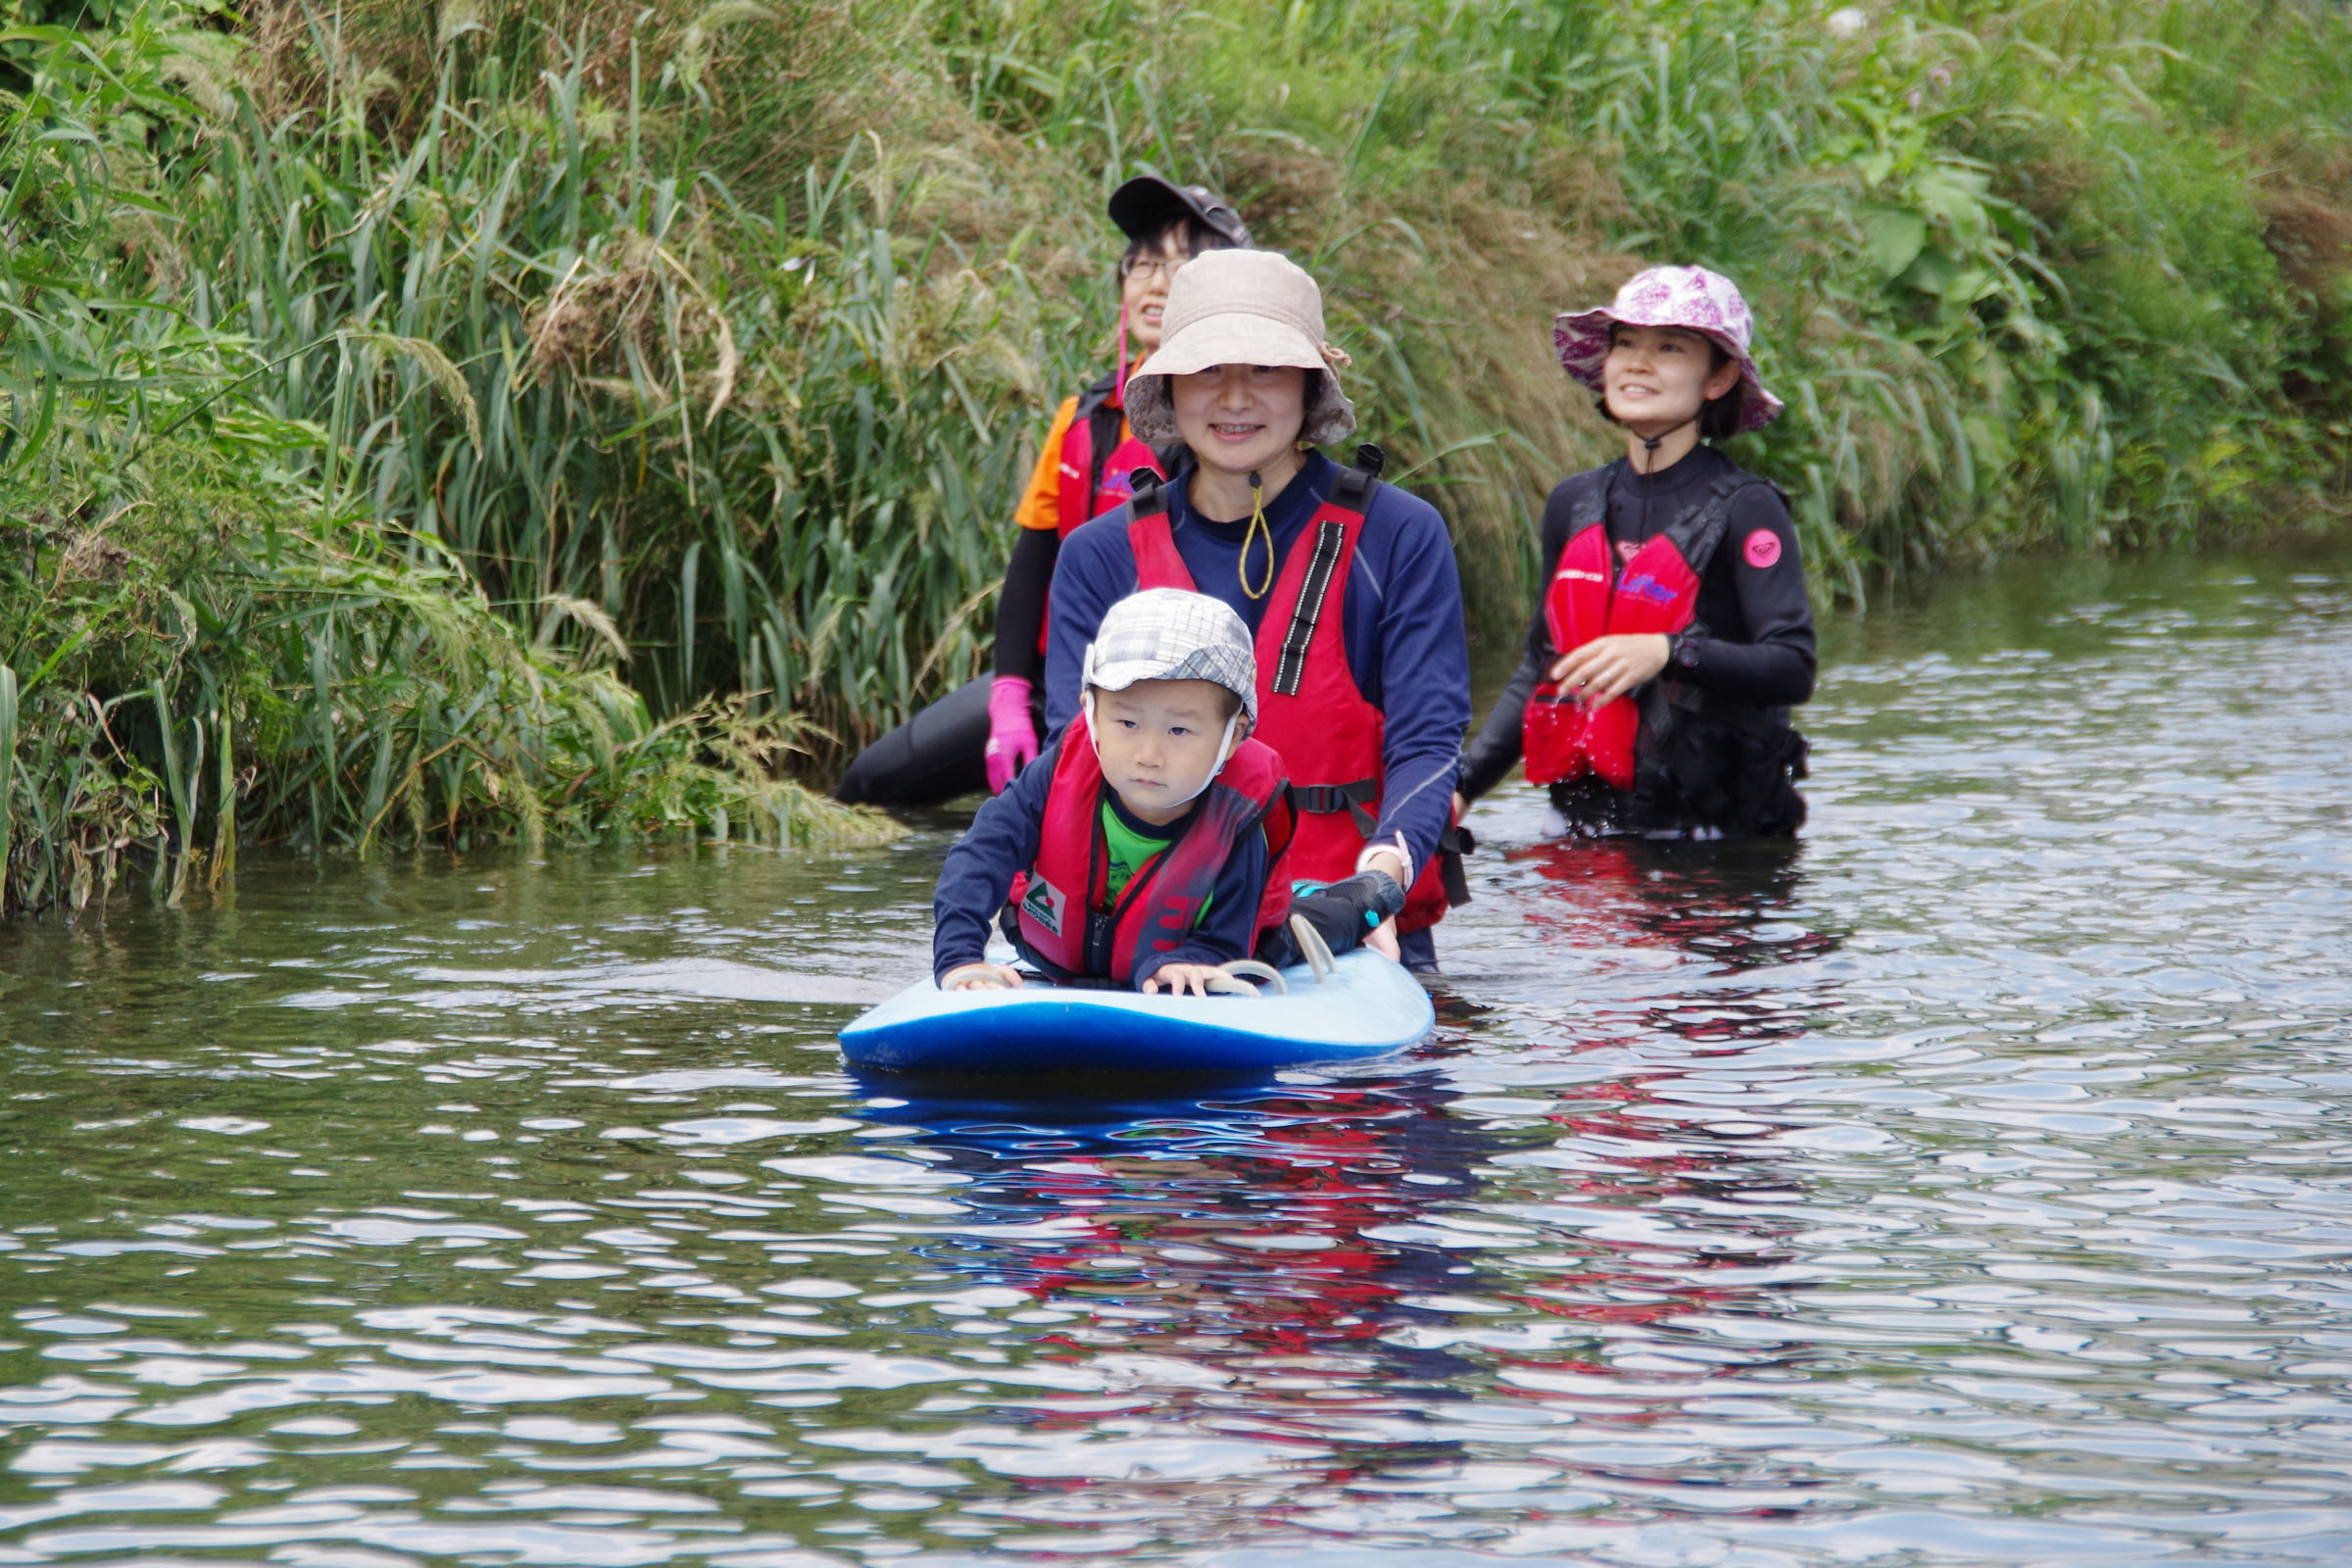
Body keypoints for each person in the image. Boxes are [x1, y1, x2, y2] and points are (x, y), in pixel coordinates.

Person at [1041, 249, 1472, 971]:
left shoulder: (1402, 534)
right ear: (1169, 387)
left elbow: (1428, 745)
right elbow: (1073, 750)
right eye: (1208, 369)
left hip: (1351, 924)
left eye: (1265, 369)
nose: (1235, 398)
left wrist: (1379, 880)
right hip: (1151, 929)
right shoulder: (1097, 554)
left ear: (1310, 387)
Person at [836, 177, 1250, 808]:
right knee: (870, 788)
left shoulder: (1242, 432)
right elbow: (1032, 569)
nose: (1155, 284)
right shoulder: (1084, 419)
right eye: (1141, 265)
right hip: (1059, 681)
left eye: (1180, 266)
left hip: (1172, 700)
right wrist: (1008, 700)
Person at [1457, 265, 1815, 838]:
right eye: (1625, 344)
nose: (1637, 362)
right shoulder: (1572, 504)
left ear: (1719, 379)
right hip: (1586, 830)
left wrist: (1669, 651)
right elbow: (1543, 666)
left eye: (1669, 347)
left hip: (1719, 847)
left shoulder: (1749, 508)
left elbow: (1793, 668)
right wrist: (1462, 787)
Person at [933, 589, 1295, 996]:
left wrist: (1189, 963)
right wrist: (960, 958)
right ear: (1092, 713)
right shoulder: (1054, 778)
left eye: (1179, 730)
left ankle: (1358, 899)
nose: (1149, 756)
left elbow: (1227, 938)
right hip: (1058, 959)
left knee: (1304, 925)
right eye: (1127, 723)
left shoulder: (1240, 819)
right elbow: (979, 857)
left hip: (1242, 942)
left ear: (1233, 736)